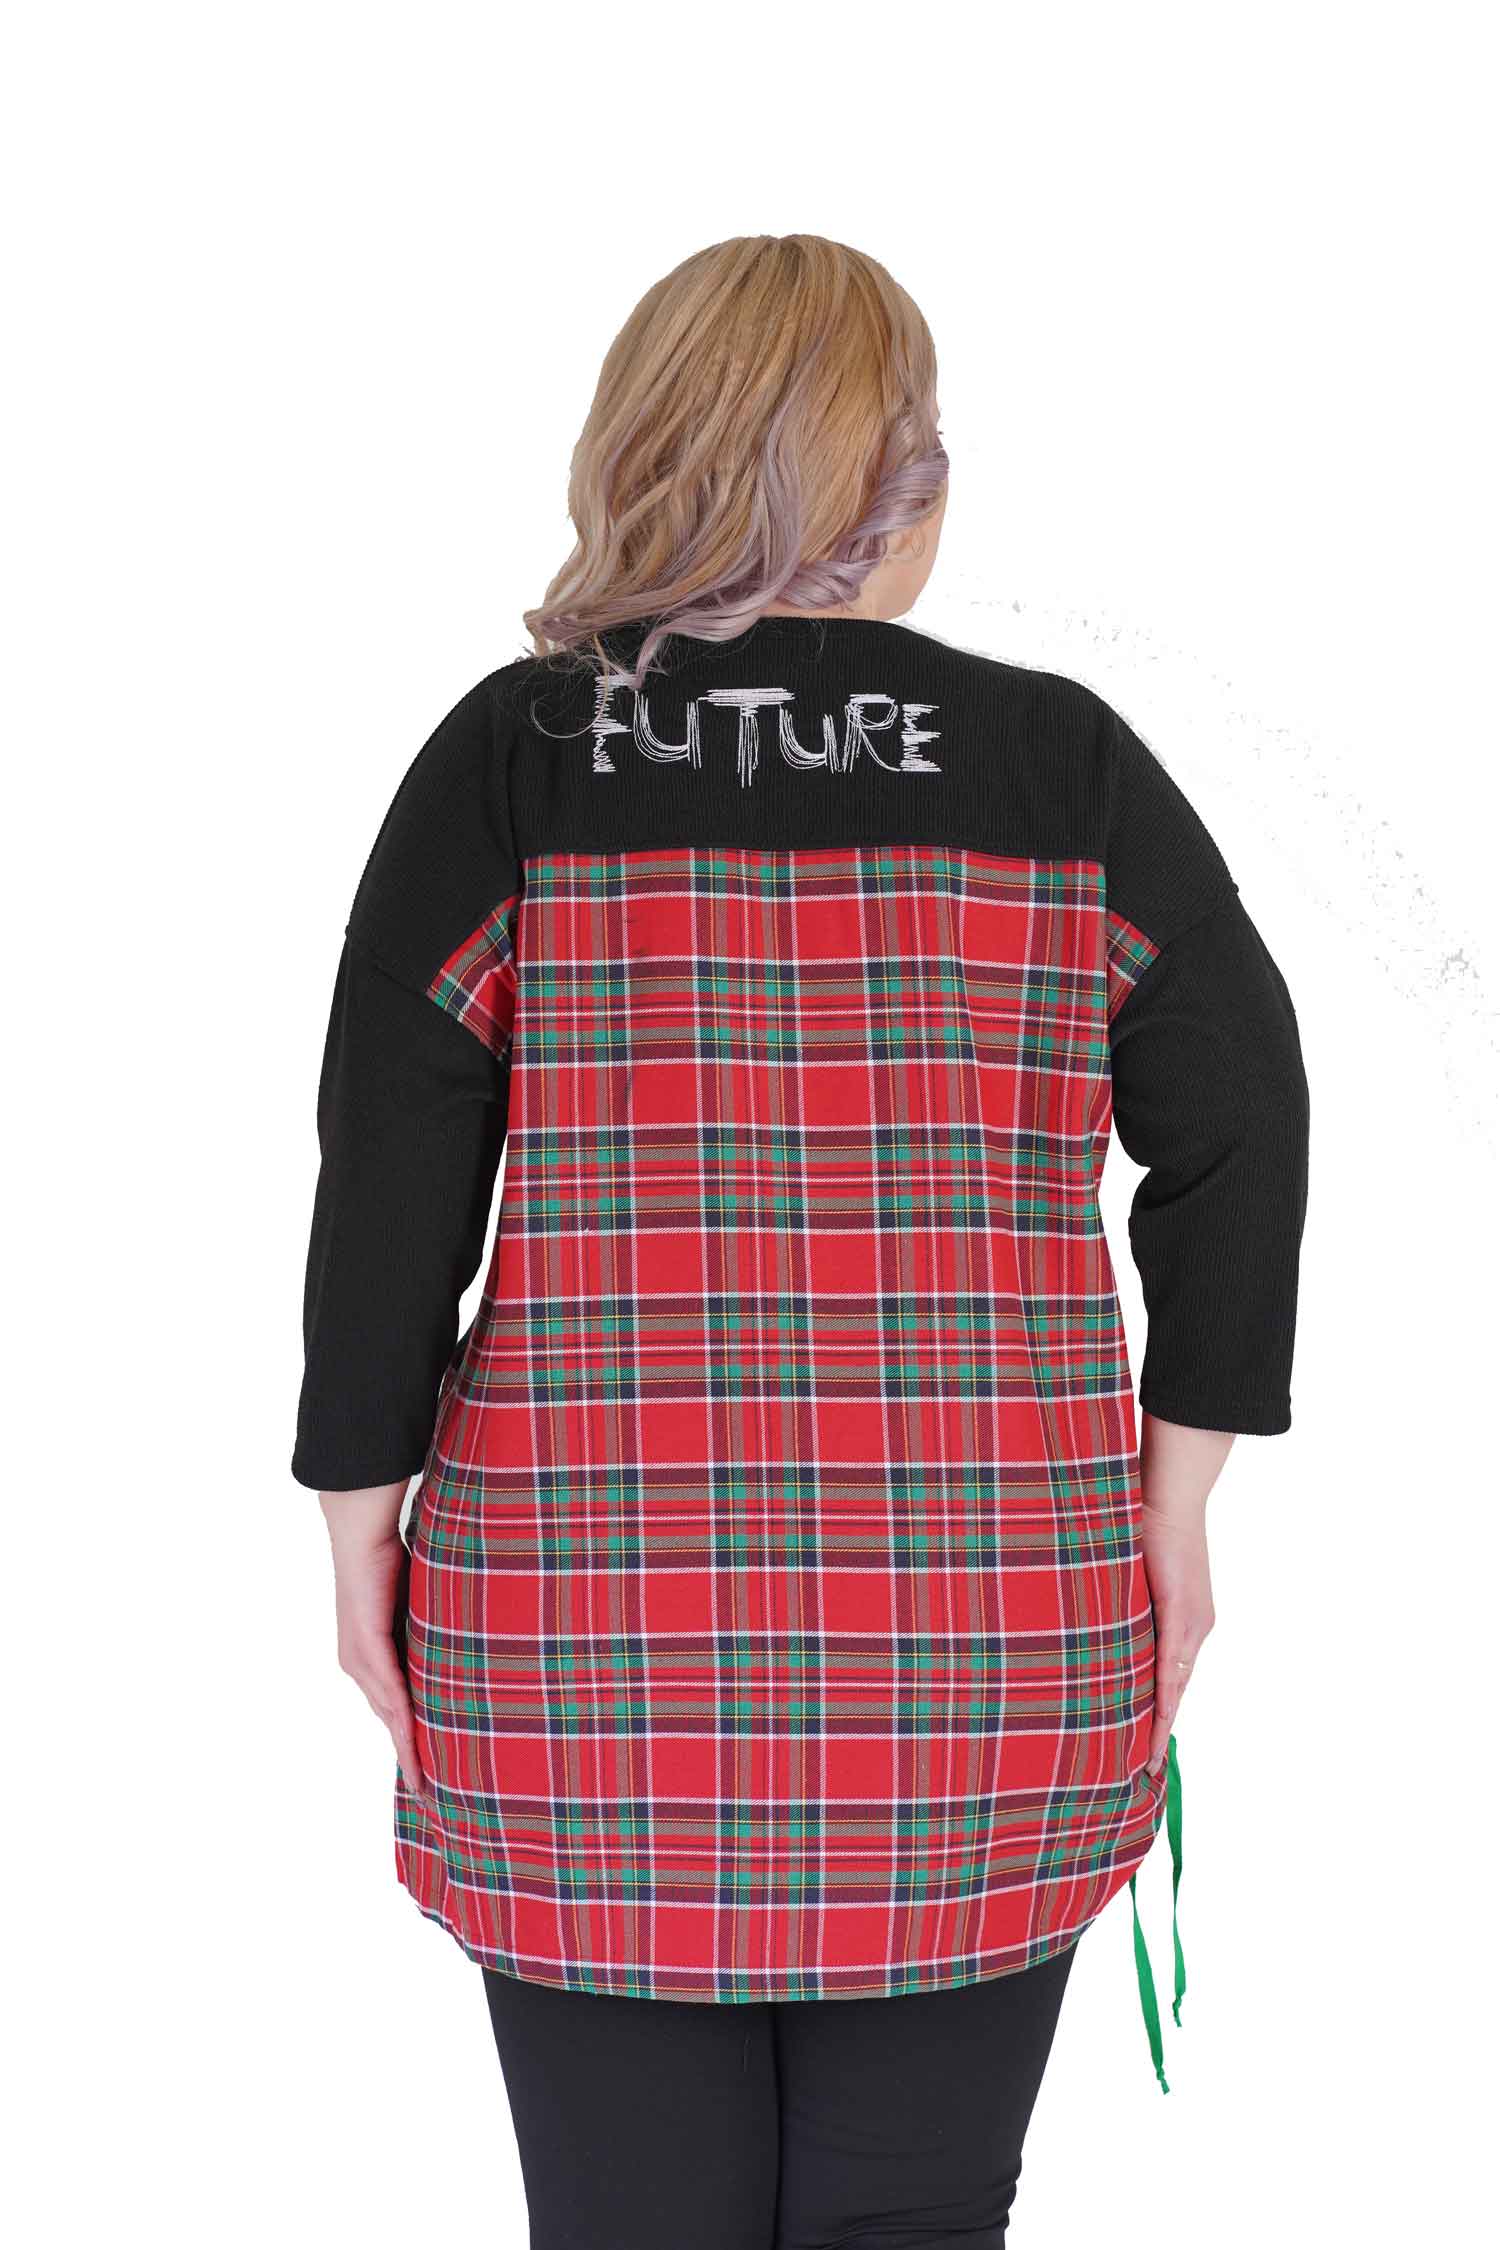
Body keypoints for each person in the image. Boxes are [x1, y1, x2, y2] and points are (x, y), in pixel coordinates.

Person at [293, 233, 1310, 2248]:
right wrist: (1174, 1505)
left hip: (581, 1650)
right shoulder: (1061, 767)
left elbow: (387, 1170)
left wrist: (358, 1529)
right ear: (897, 484)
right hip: (990, 1638)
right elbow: (1246, 1114)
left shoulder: (513, 760)